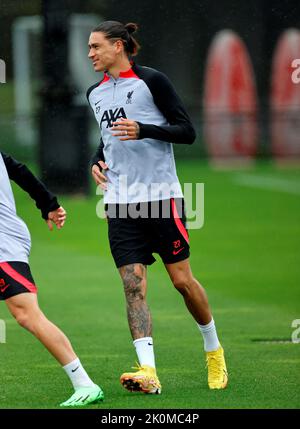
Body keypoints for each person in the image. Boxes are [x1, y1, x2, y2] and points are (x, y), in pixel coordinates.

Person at [87, 21, 228, 394]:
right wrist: (96, 161)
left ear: (119, 46)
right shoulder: (94, 93)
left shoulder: (152, 81)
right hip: (118, 203)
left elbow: (186, 131)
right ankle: (148, 371)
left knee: (182, 281)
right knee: (133, 286)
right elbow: (108, 138)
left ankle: (213, 349)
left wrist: (145, 129)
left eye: (96, 47)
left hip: (161, 197)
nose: (90, 54)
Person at [0, 152, 104, 406]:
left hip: (3, 243)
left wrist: (49, 204)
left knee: (27, 314)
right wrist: (48, 204)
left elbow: (17, 169)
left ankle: (85, 384)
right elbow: (18, 169)